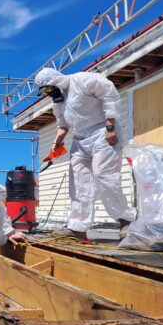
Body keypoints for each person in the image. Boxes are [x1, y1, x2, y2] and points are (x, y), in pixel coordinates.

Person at [34, 67, 136, 240]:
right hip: (80, 140)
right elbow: (62, 125)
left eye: (48, 89)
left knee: (105, 176)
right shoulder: (58, 103)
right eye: (45, 92)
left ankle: (126, 220)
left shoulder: (82, 80)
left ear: (55, 81)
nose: (48, 94)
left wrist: (110, 126)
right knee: (79, 184)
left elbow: (109, 94)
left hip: (102, 133)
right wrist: (56, 143)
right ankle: (77, 227)